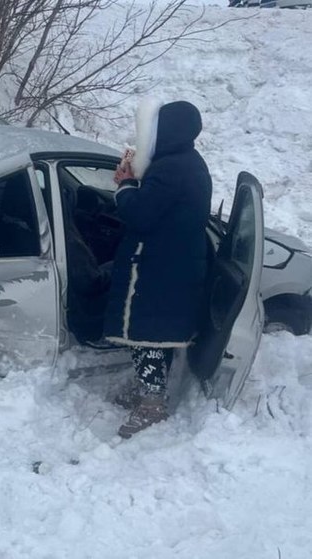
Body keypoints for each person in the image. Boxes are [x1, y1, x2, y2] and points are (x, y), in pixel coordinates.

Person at [103, 98, 212, 438]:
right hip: (173, 263)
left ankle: (152, 402)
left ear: (166, 131)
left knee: (145, 332)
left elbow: (140, 214)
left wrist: (124, 186)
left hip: (159, 267)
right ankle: (153, 389)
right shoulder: (186, 162)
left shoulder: (170, 169)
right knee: (156, 331)